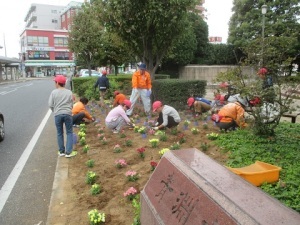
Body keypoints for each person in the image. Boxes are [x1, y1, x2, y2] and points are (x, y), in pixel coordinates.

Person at [48, 75, 75, 158]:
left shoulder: (54, 92)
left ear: (57, 83)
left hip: (58, 114)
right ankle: (68, 152)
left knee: (60, 133)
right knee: (69, 132)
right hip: (68, 114)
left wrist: (55, 111)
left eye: (55, 82)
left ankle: (61, 151)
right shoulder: (69, 92)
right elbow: (72, 104)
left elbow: (50, 104)